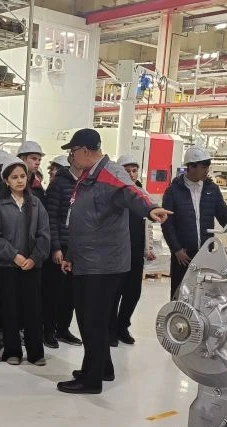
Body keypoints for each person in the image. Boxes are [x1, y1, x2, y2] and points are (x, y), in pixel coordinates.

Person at [57, 129, 170, 395]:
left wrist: (151, 209)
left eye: (72, 151)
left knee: (92, 321)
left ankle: (91, 380)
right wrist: (72, 255)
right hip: (87, 259)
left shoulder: (110, 173)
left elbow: (133, 193)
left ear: (85, 150)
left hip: (102, 263)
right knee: (90, 319)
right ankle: (101, 368)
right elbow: (82, 219)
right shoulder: (89, 175)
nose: (71, 156)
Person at [0, 158, 50, 366]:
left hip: (32, 266)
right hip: (8, 266)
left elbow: (44, 234)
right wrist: (13, 255)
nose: (19, 181)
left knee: (33, 310)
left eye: (23, 176)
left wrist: (34, 258)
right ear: (6, 181)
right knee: (10, 310)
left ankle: (36, 352)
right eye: (14, 177)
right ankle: (12, 350)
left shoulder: (36, 204)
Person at [161, 146, 227, 300]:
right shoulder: (173, 191)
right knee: (180, 292)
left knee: (204, 293)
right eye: (204, 167)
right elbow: (167, 224)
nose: (207, 171)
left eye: (208, 167)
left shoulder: (212, 189)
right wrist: (176, 249)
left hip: (206, 252)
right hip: (183, 254)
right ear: (191, 167)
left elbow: (224, 214)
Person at [112, 153, 158, 345]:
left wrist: (148, 247)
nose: (131, 174)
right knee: (114, 292)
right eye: (127, 171)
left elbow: (147, 222)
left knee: (133, 292)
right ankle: (110, 329)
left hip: (136, 251)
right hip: (117, 252)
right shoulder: (113, 192)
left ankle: (122, 326)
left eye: (134, 171)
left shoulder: (141, 193)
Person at [42, 154, 80, 349]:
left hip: (77, 247)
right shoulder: (58, 184)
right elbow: (51, 217)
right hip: (61, 246)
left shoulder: (86, 182)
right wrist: (55, 247)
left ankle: (63, 328)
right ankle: (48, 330)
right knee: (54, 292)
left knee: (71, 293)